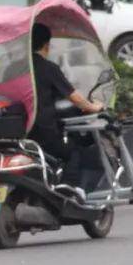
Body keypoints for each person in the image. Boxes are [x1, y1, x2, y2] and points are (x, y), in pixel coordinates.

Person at [25, 23, 104, 183]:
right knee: (72, 152)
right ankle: (71, 195)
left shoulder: (14, 70)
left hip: (18, 136)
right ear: (47, 44)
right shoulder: (48, 68)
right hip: (43, 135)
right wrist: (94, 106)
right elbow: (76, 99)